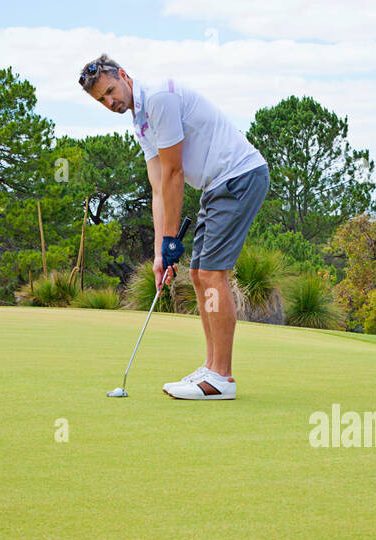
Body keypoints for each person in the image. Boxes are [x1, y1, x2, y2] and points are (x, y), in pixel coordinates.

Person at [78, 54, 269, 400]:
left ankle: (221, 378)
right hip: (216, 186)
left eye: (109, 91)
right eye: (101, 100)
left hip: (239, 177)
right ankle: (212, 366)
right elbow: (158, 189)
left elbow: (174, 174)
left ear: (123, 75)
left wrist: (171, 241)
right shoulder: (140, 123)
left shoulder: (159, 100)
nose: (110, 102)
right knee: (198, 274)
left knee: (212, 274)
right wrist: (159, 254)